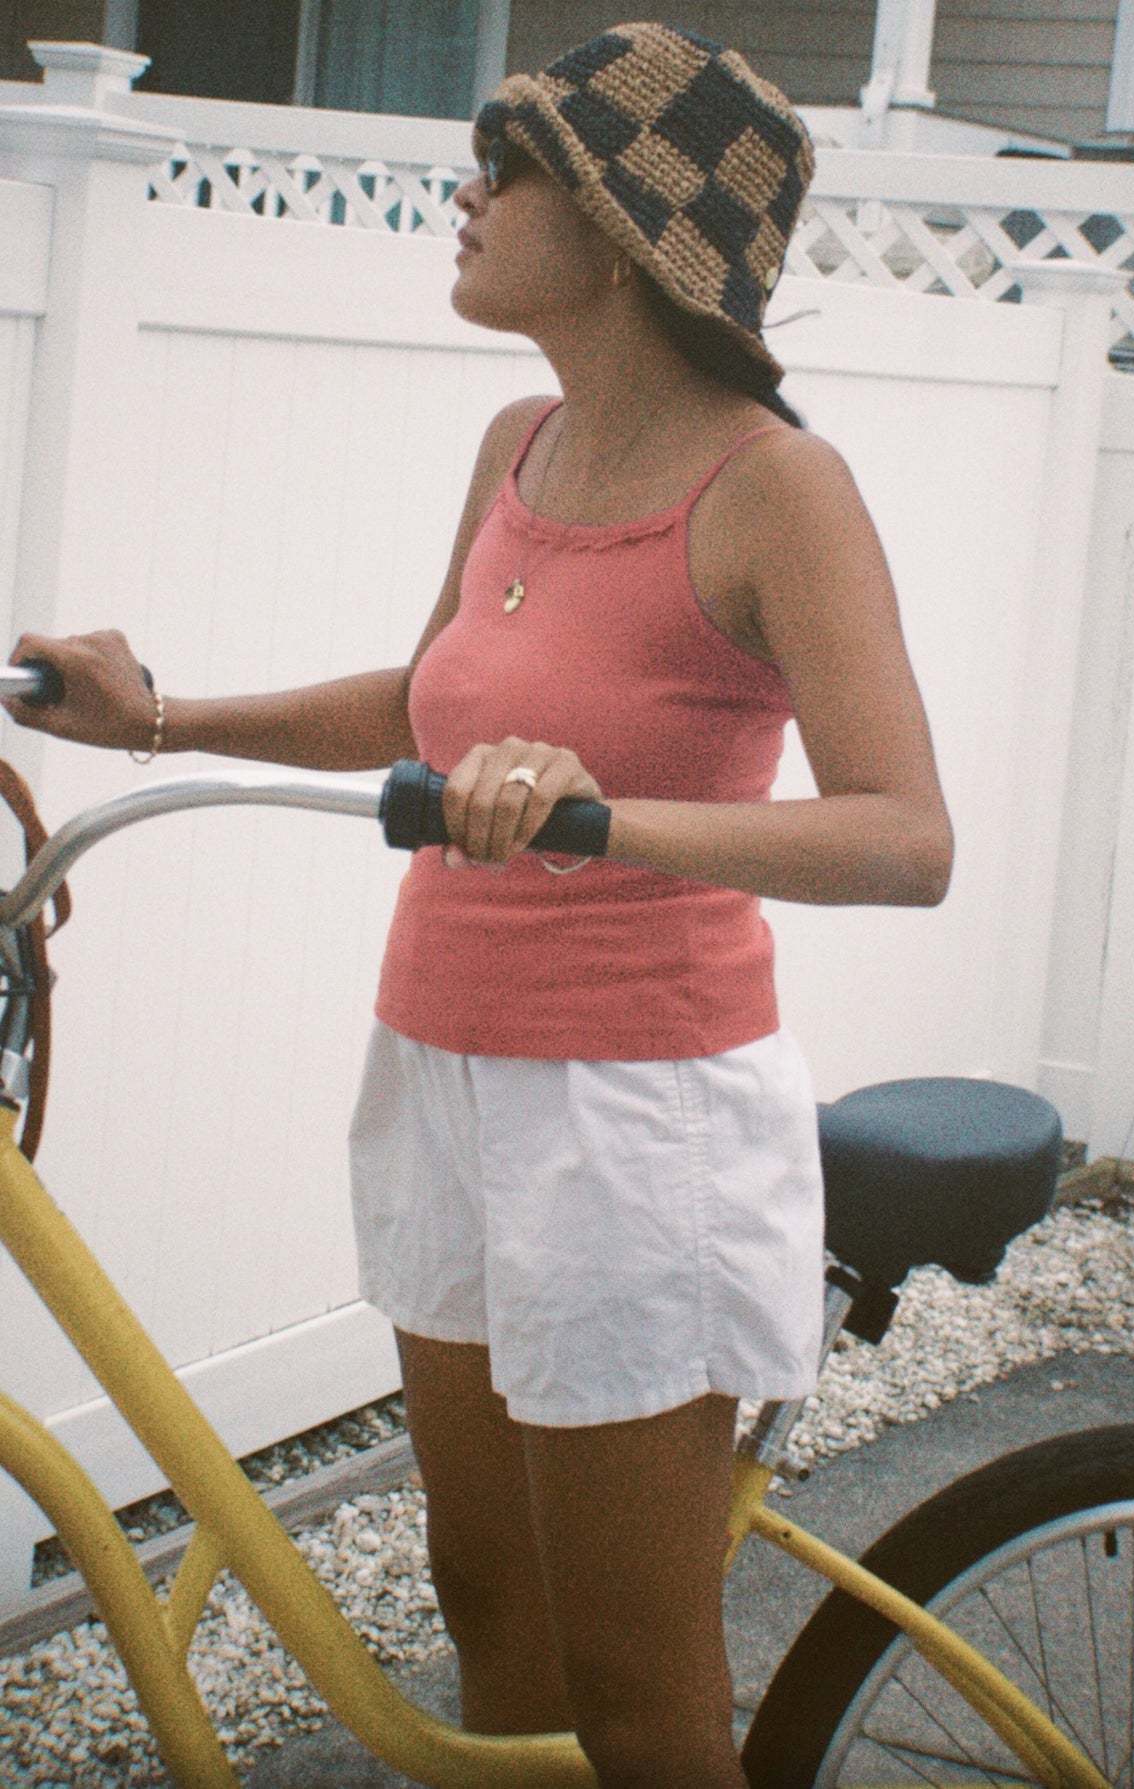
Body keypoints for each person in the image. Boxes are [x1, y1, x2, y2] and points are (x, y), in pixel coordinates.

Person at [5, 23, 952, 1787]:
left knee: (643, 1686)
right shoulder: (521, 438)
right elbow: (431, 707)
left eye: (507, 165)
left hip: (634, 1120)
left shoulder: (776, 490)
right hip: (438, 1065)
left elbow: (907, 835)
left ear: (614, 225)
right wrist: (155, 712)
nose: (470, 192)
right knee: (483, 1599)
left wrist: (602, 823)